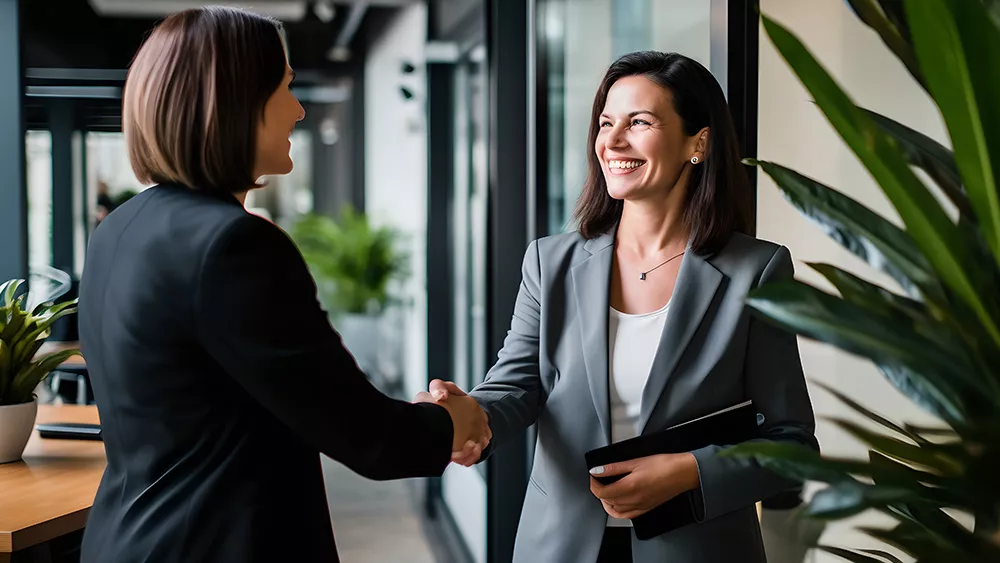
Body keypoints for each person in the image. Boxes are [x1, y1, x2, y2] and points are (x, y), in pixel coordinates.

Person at [77, 7, 488, 563]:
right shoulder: (233, 245)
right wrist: (451, 423)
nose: (297, 110)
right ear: (235, 102)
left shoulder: (119, 227)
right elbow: (361, 431)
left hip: (127, 539)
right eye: (286, 88)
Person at [431, 51, 818, 563]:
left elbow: (791, 445)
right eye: (606, 122)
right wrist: (469, 416)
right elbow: (517, 388)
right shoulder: (551, 263)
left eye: (639, 122)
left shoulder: (756, 271)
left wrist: (689, 471)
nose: (612, 141)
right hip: (559, 546)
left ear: (697, 142)